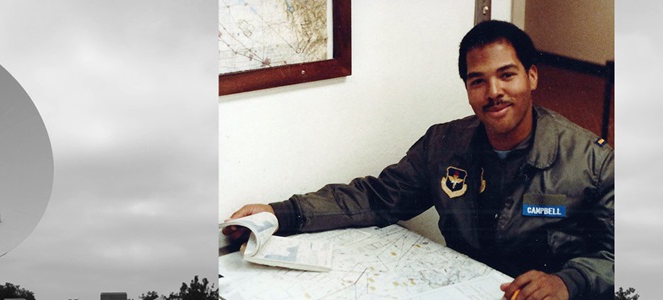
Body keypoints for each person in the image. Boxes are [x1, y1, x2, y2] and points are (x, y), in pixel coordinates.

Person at [224, 20, 613, 300]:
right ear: (467, 88)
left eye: (506, 75)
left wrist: (568, 283)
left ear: (531, 77)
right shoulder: (444, 144)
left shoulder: (591, 162)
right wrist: (280, 213)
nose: (493, 92)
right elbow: (376, 197)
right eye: (478, 80)